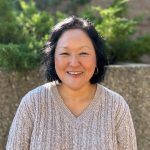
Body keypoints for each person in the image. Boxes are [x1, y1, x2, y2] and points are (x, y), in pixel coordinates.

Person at [6, 16, 137, 150]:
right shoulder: (33, 103)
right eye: (65, 53)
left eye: (83, 53)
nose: (74, 63)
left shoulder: (116, 106)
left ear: (97, 57)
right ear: (53, 57)